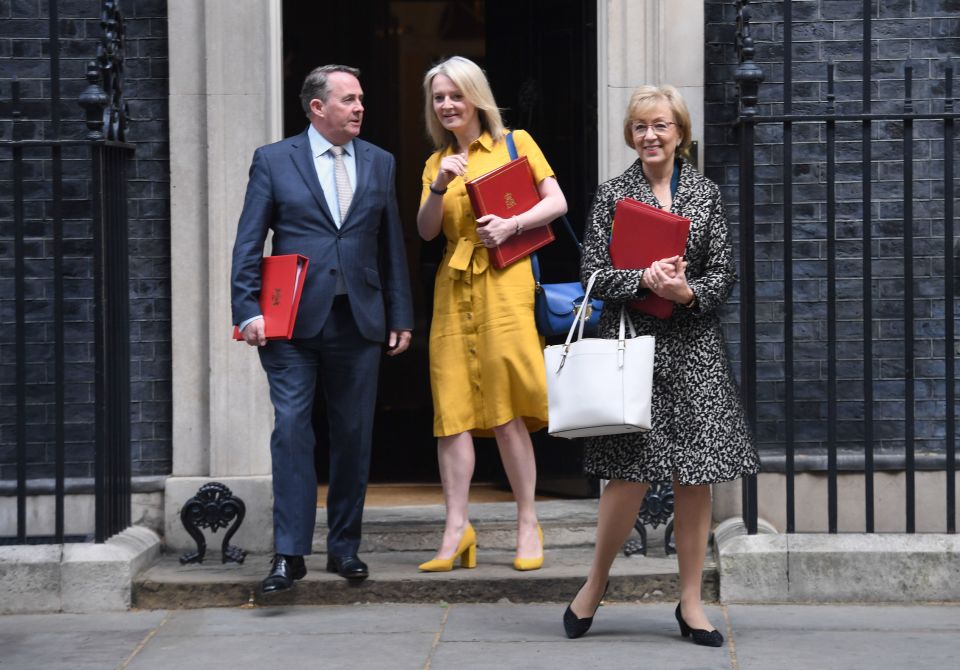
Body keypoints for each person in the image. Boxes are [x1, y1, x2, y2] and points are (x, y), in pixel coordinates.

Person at [563, 85, 760, 645]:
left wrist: (685, 292)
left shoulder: (705, 193)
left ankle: (692, 603)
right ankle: (595, 584)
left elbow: (723, 275)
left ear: (680, 133)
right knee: (626, 474)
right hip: (633, 343)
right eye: (640, 127)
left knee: (693, 478)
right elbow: (593, 275)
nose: (650, 136)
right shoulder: (612, 194)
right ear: (631, 134)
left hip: (693, 347)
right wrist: (644, 280)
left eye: (660, 126)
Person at [231, 64, 414, 594]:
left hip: (358, 321)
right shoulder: (273, 160)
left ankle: (344, 548)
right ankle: (289, 555)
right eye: (349, 100)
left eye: (361, 99)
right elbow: (249, 241)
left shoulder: (379, 161)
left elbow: (390, 243)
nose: (360, 108)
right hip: (290, 324)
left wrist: (399, 314)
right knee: (292, 430)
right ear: (318, 108)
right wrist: (248, 311)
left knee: (353, 435)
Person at [415, 56, 568, 572]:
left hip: (506, 283)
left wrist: (512, 224)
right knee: (452, 414)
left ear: (475, 96)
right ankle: (456, 529)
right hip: (453, 289)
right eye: (439, 98)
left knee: (507, 412)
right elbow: (427, 231)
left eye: (455, 95)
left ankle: (528, 522)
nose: (447, 105)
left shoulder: (515, 144)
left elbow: (558, 203)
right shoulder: (437, 162)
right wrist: (439, 186)